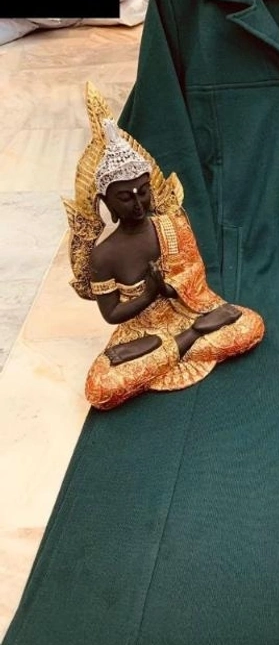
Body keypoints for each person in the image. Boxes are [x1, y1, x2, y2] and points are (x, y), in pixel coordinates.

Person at [64, 85, 264, 410]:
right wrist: (149, 293)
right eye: (125, 197)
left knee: (250, 325)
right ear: (105, 202)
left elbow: (195, 281)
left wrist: (171, 289)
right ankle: (188, 340)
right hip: (140, 333)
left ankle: (172, 348)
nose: (138, 204)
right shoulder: (103, 254)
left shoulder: (172, 225)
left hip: (187, 312)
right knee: (101, 388)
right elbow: (112, 314)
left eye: (143, 191)